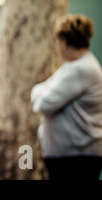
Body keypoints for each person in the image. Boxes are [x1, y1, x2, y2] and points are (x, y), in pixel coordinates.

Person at [31, 14, 102, 180]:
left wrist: (40, 94)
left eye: (56, 41)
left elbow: (44, 104)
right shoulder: (73, 67)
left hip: (76, 157)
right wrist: (40, 92)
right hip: (71, 155)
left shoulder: (80, 69)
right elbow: (38, 89)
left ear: (63, 42)